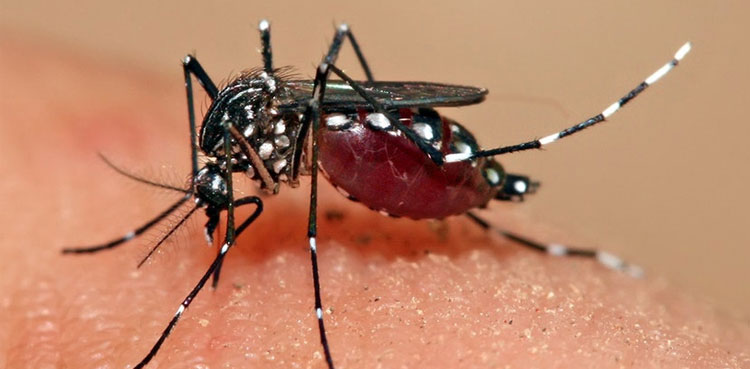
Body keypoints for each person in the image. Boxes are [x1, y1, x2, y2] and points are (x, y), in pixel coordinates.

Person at [1, 34, 747, 368]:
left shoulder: (247, 145)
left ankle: (479, 180)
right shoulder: (231, 141)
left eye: (216, 197)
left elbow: (277, 143)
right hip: (340, 125)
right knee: (323, 82)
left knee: (330, 84)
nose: (222, 205)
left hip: (362, 126)